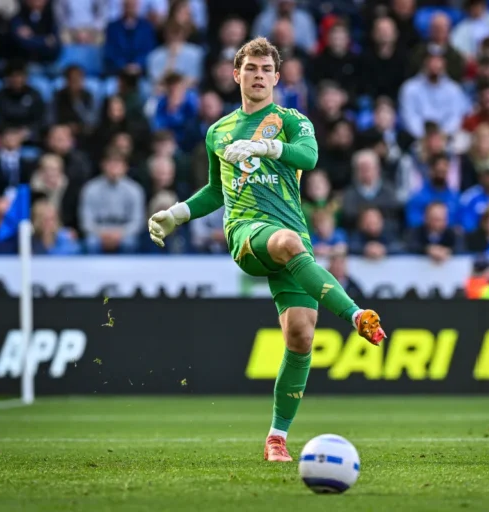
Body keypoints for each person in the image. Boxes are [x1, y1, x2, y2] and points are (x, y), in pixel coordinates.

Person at [147, 37, 386, 461]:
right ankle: (356, 314)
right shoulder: (218, 131)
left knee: (301, 337)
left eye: (266, 70)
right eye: (251, 69)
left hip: (292, 239)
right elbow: (215, 191)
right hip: (246, 233)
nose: (258, 76)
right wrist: (178, 213)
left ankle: (276, 438)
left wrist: (266, 147)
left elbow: (309, 158)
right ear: (235, 75)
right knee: (287, 242)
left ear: (277, 77)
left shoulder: (293, 120)